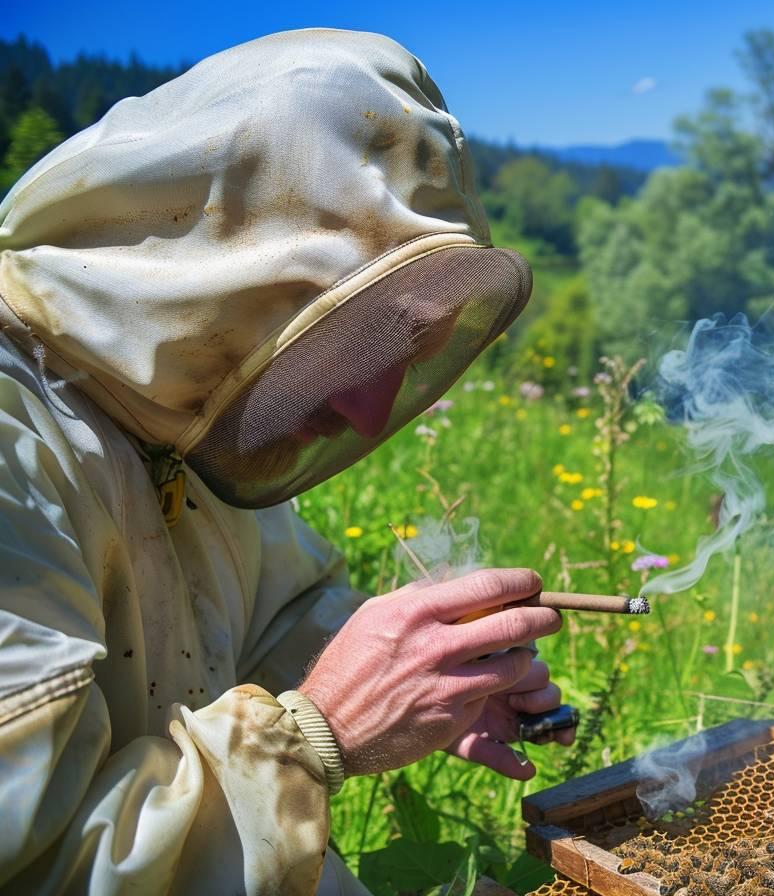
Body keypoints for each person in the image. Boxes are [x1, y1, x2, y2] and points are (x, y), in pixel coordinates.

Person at [0, 29, 572, 895]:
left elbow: (279, 614)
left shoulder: (165, 413)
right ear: (217, 281)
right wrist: (315, 733)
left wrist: (421, 683)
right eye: (351, 342)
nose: (371, 407)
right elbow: (39, 862)